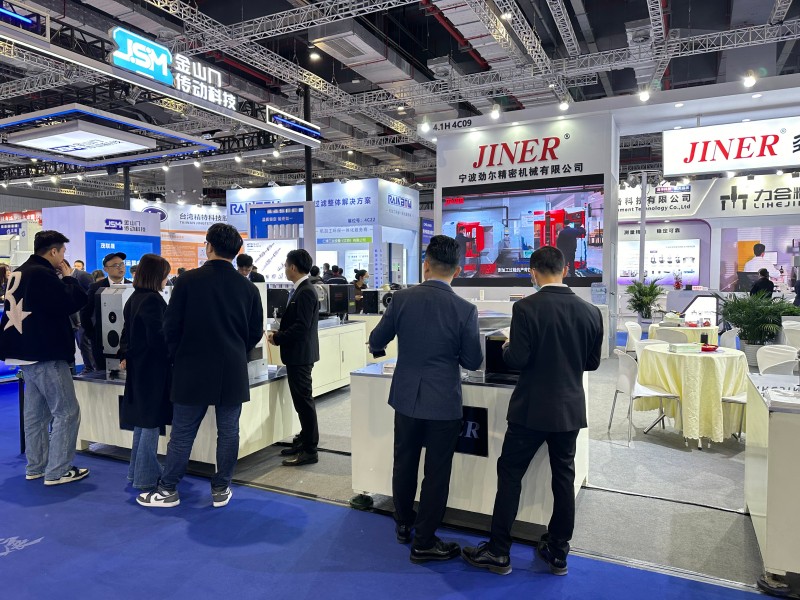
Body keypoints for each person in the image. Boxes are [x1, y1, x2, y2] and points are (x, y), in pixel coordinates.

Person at [462, 246, 603, 577]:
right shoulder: (591, 311)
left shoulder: (525, 307)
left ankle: (499, 552)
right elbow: (592, 363)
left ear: (533, 273)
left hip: (530, 409)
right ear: (565, 270)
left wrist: (508, 346)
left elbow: (517, 359)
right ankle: (558, 552)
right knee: (563, 479)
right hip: (569, 409)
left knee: (511, 475)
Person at [369, 235, 483, 564]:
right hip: (443, 401)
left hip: (406, 397)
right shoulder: (465, 309)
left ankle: (403, 523)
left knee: (404, 462)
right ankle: (425, 540)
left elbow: (377, 338)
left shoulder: (401, 299)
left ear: (426, 265)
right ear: (457, 271)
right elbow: (473, 361)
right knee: (437, 472)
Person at [136, 224, 263, 508]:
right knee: (228, 432)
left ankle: (168, 490)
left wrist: (178, 355)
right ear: (236, 251)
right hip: (232, 368)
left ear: (209, 246)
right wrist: (235, 350)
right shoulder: (248, 287)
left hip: (191, 367)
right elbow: (255, 332)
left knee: (182, 433)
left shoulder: (187, 281)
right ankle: (221, 488)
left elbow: (171, 326)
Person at [0, 230, 89, 485]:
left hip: (25, 352)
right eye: (62, 252)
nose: (63, 257)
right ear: (53, 251)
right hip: (45, 352)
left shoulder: (20, 271)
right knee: (66, 412)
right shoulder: (42, 273)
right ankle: (58, 470)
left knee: (36, 417)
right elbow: (70, 302)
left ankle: (36, 466)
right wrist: (69, 278)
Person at [119, 254, 173, 493]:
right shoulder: (152, 300)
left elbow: (126, 332)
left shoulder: (135, 297)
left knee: (143, 423)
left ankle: (137, 472)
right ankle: (145, 477)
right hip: (152, 370)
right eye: (165, 274)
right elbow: (158, 338)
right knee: (151, 422)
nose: (167, 279)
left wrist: (125, 354)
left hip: (139, 367)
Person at [267, 249, 321, 467]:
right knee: (301, 402)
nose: (284, 269)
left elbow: (301, 326)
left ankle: (310, 450)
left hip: (300, 355)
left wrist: (278, 337)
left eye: (285, 265)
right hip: (298, 354)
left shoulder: (305, 291)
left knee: (304, 402)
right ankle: (304, 440)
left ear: (293, 267)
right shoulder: (301, 289)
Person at [80, 252, 131, 374]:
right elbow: (85, 312)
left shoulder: (131, 286)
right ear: (106, 269)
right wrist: (93, 335)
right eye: (115, 265)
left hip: (126, 343)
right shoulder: (96, 287)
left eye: (122, 264)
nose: (120, 267)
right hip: (102, 343)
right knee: (104, 375)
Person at [63, 260, 96, 374]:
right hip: (69, 318)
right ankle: (71, 370)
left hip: (82, 317)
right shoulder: (61, 278)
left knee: (84, 343)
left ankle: (91, 368)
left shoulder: (83, 276)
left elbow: (92, 295)